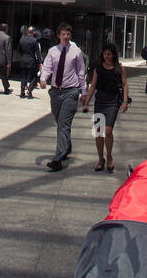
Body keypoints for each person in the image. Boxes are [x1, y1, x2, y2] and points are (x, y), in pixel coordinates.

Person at [39, 23, 86, 170]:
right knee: (60, 122)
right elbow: (47, 67)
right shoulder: (53, 51)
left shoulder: (76, 52)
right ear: (59, 36)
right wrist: (43, 78)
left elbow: (81, 71)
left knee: (64, 124)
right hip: (55, 92)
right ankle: (66, 148)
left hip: (71, 91)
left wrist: (83, 91)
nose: (66, 37)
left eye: (68, 34)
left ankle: (58, 159)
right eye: (63, 34)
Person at [83, 42, 128, 172]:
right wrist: (86, 101)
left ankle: (109, 156)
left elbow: (124, 84)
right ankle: (100, 159)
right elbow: (93, 85)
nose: (107, 56)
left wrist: (125, 101)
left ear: (113, 55)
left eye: (109, 54)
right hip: (100, 102)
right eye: (105, 54)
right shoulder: (98, 68)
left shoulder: (119, 68)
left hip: (112, 102)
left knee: (107, 130)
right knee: (98, 133)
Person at [17, 26, 42, 98]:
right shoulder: (34, 40)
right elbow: (38, 52)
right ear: (33, 32)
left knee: (23, 76)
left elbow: (19, 50)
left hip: (24, 59)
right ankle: (30, 90)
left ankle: (22, 92)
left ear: (27, 32)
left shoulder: (22, 40)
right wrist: (40, 62)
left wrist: (23, 55)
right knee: (35, 76)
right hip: (31, 60)